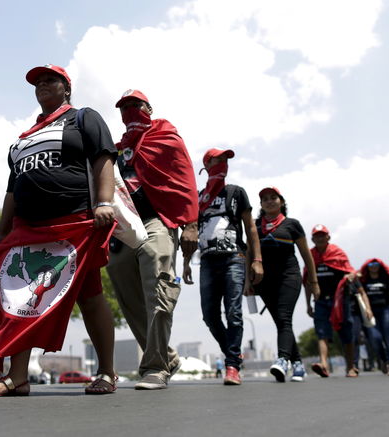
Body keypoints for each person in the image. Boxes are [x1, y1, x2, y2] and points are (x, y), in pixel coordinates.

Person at [0, 64, 118, 396]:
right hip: (28, 229)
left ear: (66, 88)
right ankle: (18, 376)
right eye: (37, 82)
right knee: (20, 299)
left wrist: (103, 202)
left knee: (90, 297)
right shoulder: (24, 137)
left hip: (73, 226)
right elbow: (12, 189)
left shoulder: (83, 118)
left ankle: (107, 372)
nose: (42, 84)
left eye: (49, 79)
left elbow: (104, 158)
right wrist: (1, 232)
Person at [106, 89, 199, 390]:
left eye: (136, 105)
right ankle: (167, 355)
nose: (130, 111)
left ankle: (155, 366)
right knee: (122, 281)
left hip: (158, 218)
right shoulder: (117, 150)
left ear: (148, 107)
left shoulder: (166, 137)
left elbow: (185, 180)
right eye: (124, 107)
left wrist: (191, 225)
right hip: (126, 224)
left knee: (156, 278)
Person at [184, 148, 261, 386]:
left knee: (234, 312)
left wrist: (256, 260)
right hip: (206, 260)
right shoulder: (198, 197)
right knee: (209, 314)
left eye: (225, 160)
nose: (222, 163)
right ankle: (233, 352)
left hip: (234, 258)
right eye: (217, 160)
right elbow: (191, 232)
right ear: (206, 165)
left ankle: (231, 366)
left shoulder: (236, 193)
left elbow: (250, 228)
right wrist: (186, 263)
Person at [254, 187, 319, 382]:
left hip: (289, 277)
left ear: (281, 201)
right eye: (265, 199)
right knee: (282, 322)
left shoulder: (292, 225)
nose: (269, 201)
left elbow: (306, 254)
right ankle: (298, 364)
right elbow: (250, 253)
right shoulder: (255, 226)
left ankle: (283, 359)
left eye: (273, 198)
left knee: (284, 317)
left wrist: (313, 281)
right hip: (265, 281)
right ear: (261, 204)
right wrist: (248, 282)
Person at [305, 224, 361, 378]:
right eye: (317, 236)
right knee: (321, 333)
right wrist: (308, 304)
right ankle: (323, 364)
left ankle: (350, 366)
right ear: (312, 239)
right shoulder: (310, 256)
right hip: (320, 301)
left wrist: (349, 276)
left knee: (346, 332)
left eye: (322, 235)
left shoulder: (337, 252)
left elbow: (351, 271)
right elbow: (307, 282)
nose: (320, 238)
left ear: (328, 237)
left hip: (340, 301)